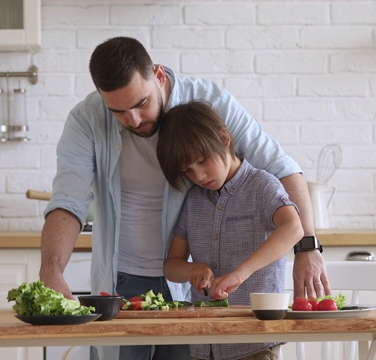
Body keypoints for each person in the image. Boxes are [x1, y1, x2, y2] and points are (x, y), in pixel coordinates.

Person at [39, 36, 329, 360]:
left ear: (158, 75)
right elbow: (69, 199)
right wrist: (51, 269)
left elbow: (282, 167)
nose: (132, 120)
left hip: (190, 292)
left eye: (141, 104)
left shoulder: (209, 102)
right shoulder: (86, 119)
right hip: (120, 280)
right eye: (118, 112)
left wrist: (307, 247)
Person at [157, 101, 303, 360]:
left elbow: (293, 228)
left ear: (224, 139)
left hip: (255, 342)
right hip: (204, 345)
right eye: (188, 170)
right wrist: (192, 269)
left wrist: (240, 274)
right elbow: (172, 265)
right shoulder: (194, 200)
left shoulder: (262, 186)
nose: (199, 175)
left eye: (202, 161)